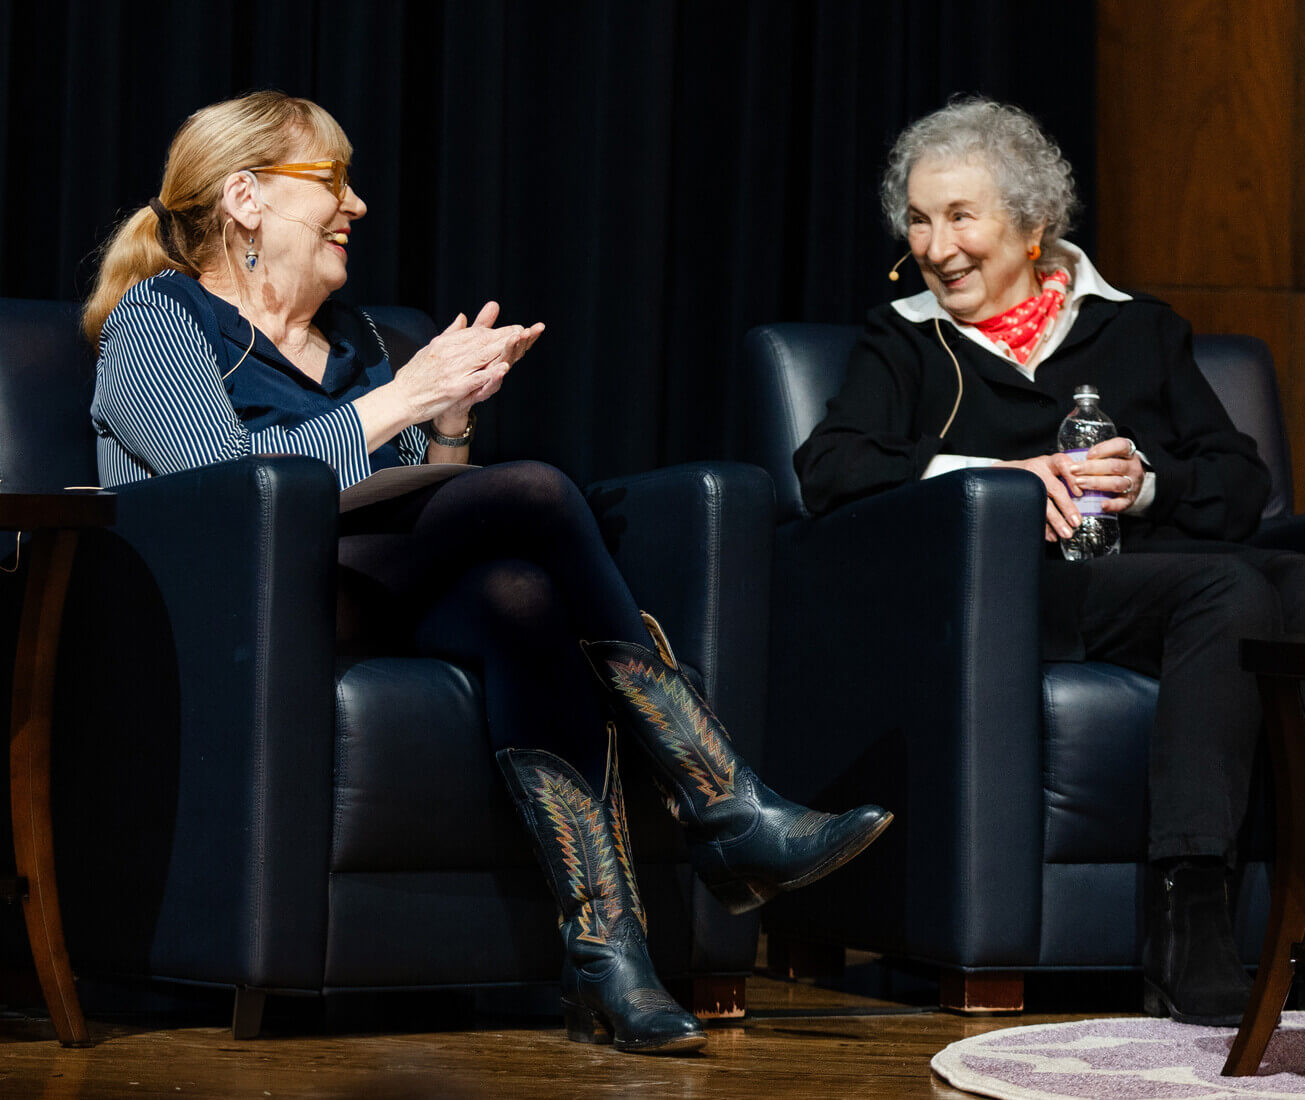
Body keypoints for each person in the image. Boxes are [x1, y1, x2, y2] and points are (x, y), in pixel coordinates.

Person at [84, 90, 892, 1055]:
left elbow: (425, 508)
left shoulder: (363, 343)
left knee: (522, 594)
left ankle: (609, 955)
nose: (358, 205)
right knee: (543, 492)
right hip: (239, 620)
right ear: (246, 198)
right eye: (332, 182)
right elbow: (222, 494)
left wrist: (448, 423)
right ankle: (719, 798)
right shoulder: (158, 318)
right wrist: (403, 403)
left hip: (375, 594)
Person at [795, 97, 1305, 1025]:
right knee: (1230, 589)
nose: (937, 247)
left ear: (1032, 226)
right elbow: (832, 469)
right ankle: (1187, 930)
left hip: (1155, 573)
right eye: (921, 218)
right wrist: (1004, 475)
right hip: (1022, 597)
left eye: (961, 217)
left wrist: (1142, 481)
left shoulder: (1137, 329)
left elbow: (1236, 479)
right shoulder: (903, 337)